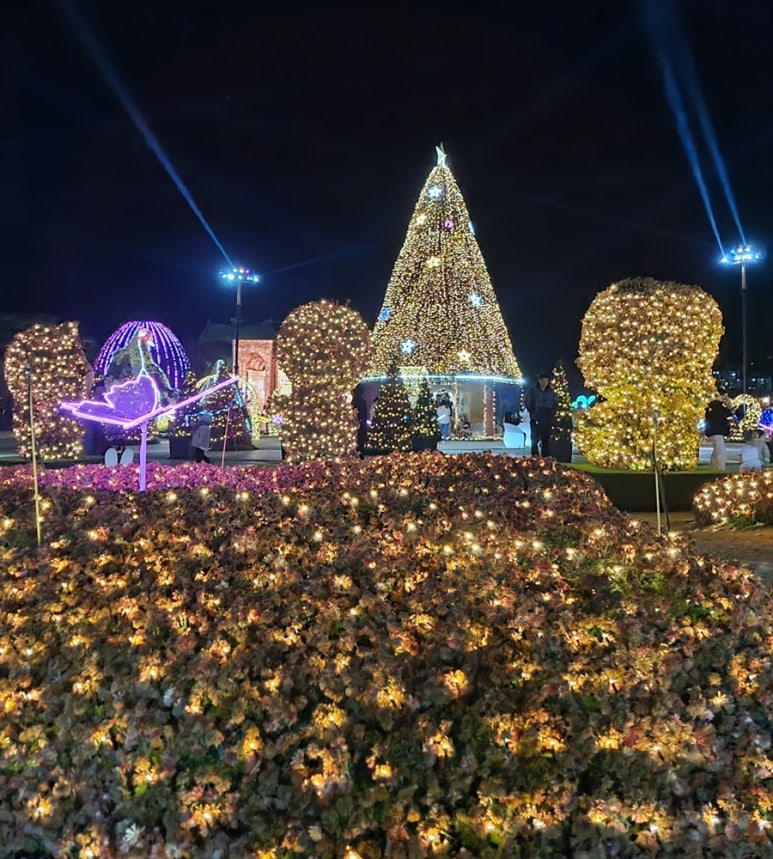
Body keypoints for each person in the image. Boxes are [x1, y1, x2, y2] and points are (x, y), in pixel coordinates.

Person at [524, 372, 557, 457]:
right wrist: (533, 412)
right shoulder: (533, 391)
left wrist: (552, 413)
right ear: (539, 381)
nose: (544, 382)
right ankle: (535, 456)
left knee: (545, 439)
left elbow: (555, 403)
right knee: (534, 438)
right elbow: (528, 402)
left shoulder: (551, 392)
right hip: (536, 417)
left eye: (546, 380)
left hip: (547, 417)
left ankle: (545, 457)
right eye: (542, 380)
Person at [704, 395, 734, 471]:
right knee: (720, 450)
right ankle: (720, 467)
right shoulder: (720, 409)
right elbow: (729, 413)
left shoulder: (712, 411)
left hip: (712, 432)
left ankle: (713, 465)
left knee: (717, 449)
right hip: (717, 432)